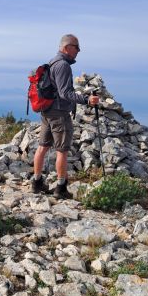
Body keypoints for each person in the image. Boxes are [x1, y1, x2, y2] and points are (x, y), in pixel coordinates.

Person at [31, 34, 99, 198]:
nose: (78, 51)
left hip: (47, 111)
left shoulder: (52, 62)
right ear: (67, 47)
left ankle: (37, 183)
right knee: (62, 150)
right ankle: (61, 188)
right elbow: (65, 93)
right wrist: (86, 99)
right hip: (59, 113)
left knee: (43, 147)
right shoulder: (63, 66)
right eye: (76, 47)